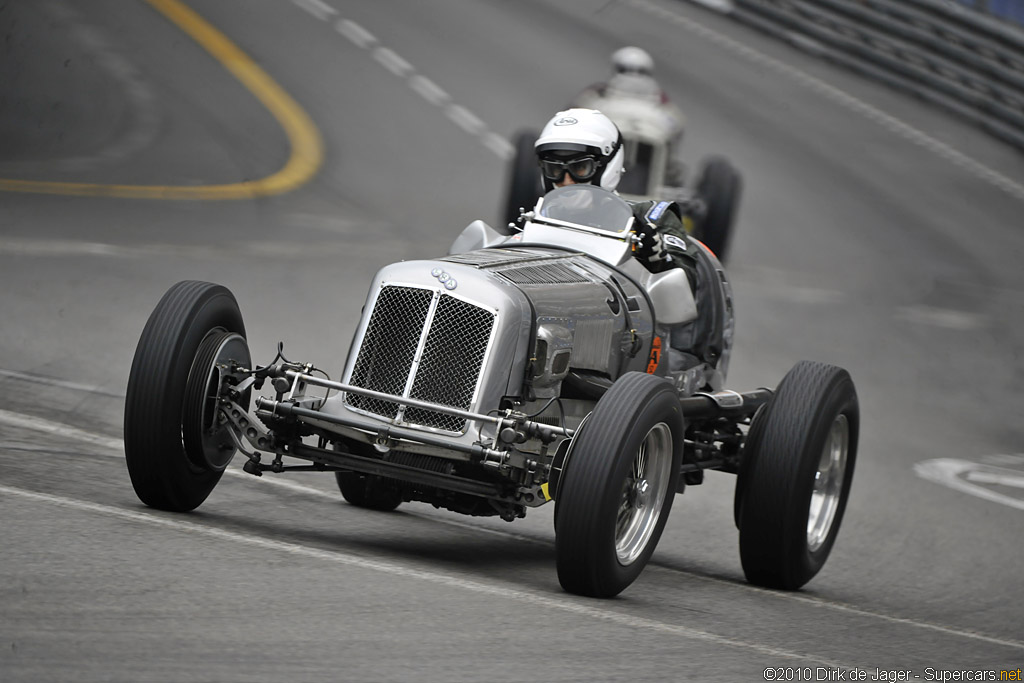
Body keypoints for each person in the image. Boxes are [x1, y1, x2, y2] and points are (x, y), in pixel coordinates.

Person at [533, 108, 727, 379]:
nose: (565, 181)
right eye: (554, 169)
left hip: (629, 348)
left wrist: (657, 258)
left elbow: (688, 281)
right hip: (547, 335)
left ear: (606, 167)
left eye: (579, 167)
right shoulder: (535, 219)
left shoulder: (650, 218)